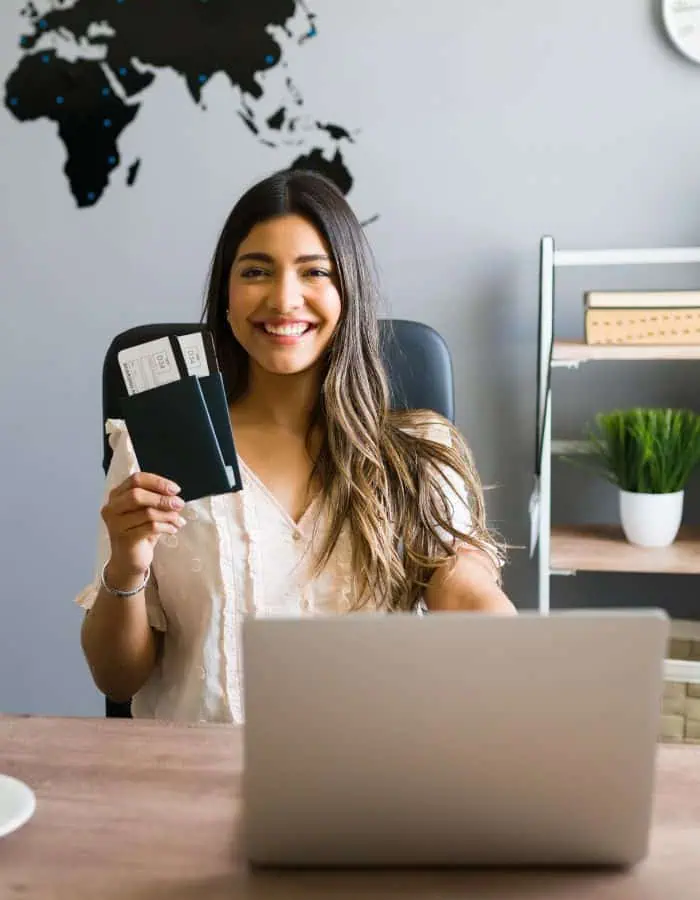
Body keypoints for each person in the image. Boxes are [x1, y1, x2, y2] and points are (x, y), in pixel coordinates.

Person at [76, 169, 514, 724]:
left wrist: (508, 644)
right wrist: (127, 563)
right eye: (256, 271)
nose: (284, 300)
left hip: (374, 781)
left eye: (315, 273)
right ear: (227, 298)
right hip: (193, 783)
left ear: (347, 293)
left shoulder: (418, 450)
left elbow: (465, 587)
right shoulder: (152, 454)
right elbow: (117, 679)